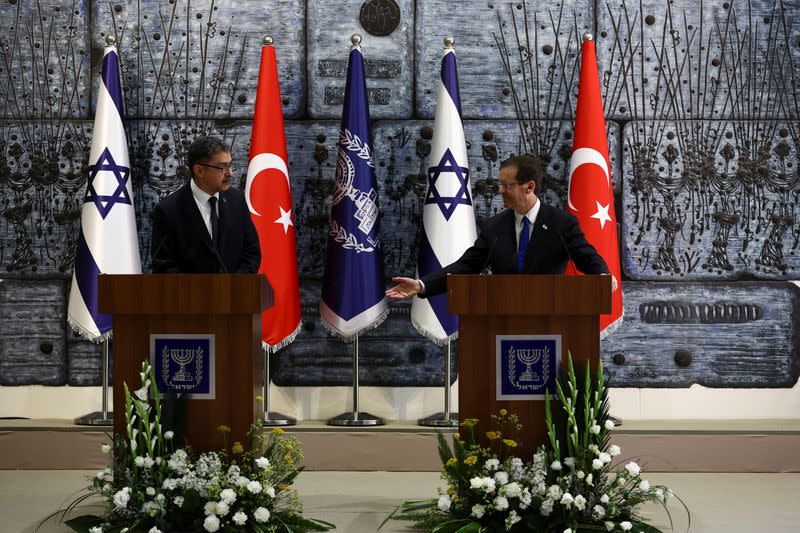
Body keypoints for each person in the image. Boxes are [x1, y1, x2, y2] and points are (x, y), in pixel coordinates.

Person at [386, 154, 614, 300]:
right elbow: (467, 266)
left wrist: (603, 275)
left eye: (507, 185)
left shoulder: (561, 223)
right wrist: (422, 284)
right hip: (502, 319)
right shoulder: (494, 227)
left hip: (551, 316)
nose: (500, 191)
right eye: (499, 185)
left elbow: (586, 256)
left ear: (529, 187)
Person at [151, 136, 261, 274]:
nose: (230, 173)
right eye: (222, 168)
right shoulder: (169, 210)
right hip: (189, 294)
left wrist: (234, 287)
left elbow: (252, 252)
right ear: (199, 171)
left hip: (235, 293)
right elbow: (163, 265)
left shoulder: (237, 200)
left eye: (230, 165)